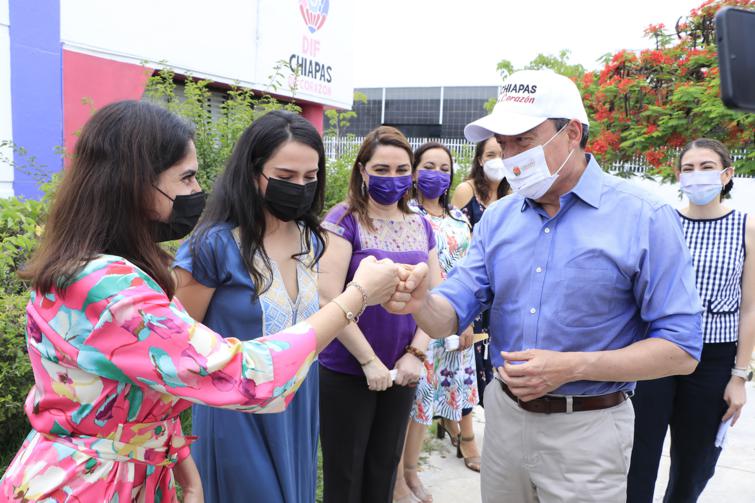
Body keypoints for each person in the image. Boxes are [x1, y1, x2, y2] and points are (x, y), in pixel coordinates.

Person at [0, 101, 411, 502]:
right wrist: (356, 296)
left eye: (310, 176)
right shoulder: (108, 287)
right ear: (134, 182)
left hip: (122, 470)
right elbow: (242, 374)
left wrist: (176, 455)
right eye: (187, 177)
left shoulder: (99, 269)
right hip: (90, 483)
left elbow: (143, 387)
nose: (198, 190)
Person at [390, 69, 704, 502]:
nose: (510, 156)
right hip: (504, 421)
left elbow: (681, 348)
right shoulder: (499, 219)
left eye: (524, 140)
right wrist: (419, 301)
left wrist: (571, 367)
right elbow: (451, 311)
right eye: (503, 144)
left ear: (571, 133)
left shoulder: (643, 217)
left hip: (587, 429)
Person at [173, 111, 327, 502]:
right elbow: (178, 345)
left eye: (310, 177)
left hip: (299, 405)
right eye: (286, 176)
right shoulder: (213, 246)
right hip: (235, 414)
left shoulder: (311, 240)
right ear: (253, 173)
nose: (300, 187)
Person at [317, 126, 441, 503]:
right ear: (362, 170)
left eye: (402, 170)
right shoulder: (344, 220)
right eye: (382, 170)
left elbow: (436, 297)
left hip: (403, 369)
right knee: (345, 475)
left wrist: (416, 353)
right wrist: (368, 361)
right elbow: (328, 296)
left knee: (383, 470)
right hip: (347, 367)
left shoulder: (421, 224)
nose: (393, 178)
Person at [627, 138, 755, 503]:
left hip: (713, 358)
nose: (697, 175)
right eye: (688, 168)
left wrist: (739, 376)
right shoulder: (661, 222)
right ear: (679, 176)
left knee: (695, 464)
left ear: (727, 174)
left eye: (707, 167)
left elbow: (750, 307)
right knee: (638, 457)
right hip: (657, 351)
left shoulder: (746, 227)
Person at [393, 141, 480, 503]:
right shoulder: (406, 214)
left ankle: (412, 471)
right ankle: (399, 477)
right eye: (428, 166)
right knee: (415, 399)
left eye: (444, 169)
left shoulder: (460, 219)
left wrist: (466, 318)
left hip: (455, 320)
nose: (437, 174)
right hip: (419, 321)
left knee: (434, 400)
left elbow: (470, 271)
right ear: (414, 172)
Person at [449, 137, 509, 408]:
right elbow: (458, 238)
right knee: (469, 351)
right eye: (491, 154)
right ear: (480, 159)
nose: (498, 160)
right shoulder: (467, 190)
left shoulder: (512, 194)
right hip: (475, 278)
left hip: (501, 281)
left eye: (502, 154)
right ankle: (460, 414)